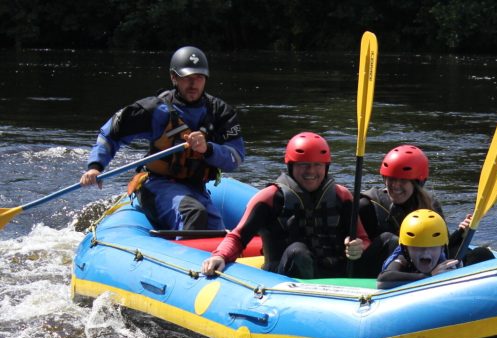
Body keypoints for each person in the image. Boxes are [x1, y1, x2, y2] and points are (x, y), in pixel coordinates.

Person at [80, 46, 245, 232]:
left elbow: (236, 157)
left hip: (196, 188)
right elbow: (111, 132)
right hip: (158, 185)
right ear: (174, 77)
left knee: (216, 231)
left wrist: (208, 149)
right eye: (186, 77)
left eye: (198, 77)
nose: (193, 84)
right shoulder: (154, 110)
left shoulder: (220, 112)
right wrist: (95, 167)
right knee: (193, 214)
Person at [201, 132, 368, 279]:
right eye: (303, 165)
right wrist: (220, 256)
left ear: (326, 167)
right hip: (284, 279)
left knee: (387, 241)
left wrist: (358, 247)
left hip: (336, 275)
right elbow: (238, 237)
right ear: (291, 166)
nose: (311, 171)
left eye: (317, 165)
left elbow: (364, 239)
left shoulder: (342, 195)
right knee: (298, 251)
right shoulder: (270, 197)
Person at [356, 144, 470, 276]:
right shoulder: (367, 205)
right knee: (392, 241)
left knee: (480, 254)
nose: (395, 185)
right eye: (391, 178)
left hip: (419, 267)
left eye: (403, 180)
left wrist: (461, 234)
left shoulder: (430, 207)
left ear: (417, 183)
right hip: (382, 274)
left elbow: (441, 248)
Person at [377, 209, 490, 290]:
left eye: (432, 247)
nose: (426, 252)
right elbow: (383, 280)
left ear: (441, 248)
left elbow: (448, 246)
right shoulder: (403, 258)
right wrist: (429, 276)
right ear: (406, 249)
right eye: (418, 247)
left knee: (482, 254)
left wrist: (461, 232)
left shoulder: (442, 254)